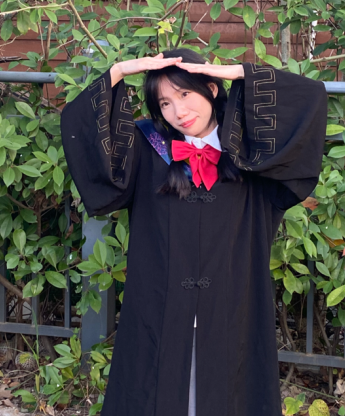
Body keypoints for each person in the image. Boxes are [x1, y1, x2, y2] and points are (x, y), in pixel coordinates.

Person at [61, 48, 328, 416]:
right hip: (159, 305)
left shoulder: (252, 152)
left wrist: (240, 74)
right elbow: (83, 131)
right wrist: (119, 70)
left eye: (185, 94)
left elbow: (309, 99)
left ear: (211, 89)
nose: (179, 111)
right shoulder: (147, 149)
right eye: (165, 103)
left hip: (233, 302)